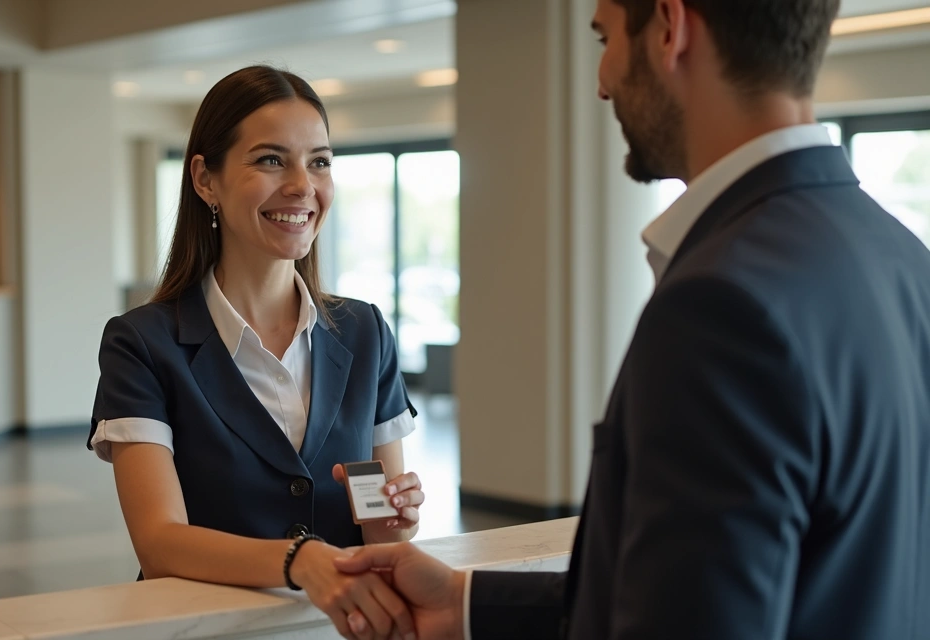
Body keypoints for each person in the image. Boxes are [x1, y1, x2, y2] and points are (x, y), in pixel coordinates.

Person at [333, 0, 930, 638]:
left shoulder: (719, 306)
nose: (602, 80)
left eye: (605, 38)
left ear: (669, 28)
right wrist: (463, 602)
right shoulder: (904, 258)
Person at [88, 65, 425, 640]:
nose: (302, 185)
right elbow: (160, 541)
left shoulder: (364, 331)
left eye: (319, 161)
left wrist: (395, 517)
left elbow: (381, 533)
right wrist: (300, 560)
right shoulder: (142, 343)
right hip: (205, 630)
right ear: (205, 179)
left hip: (335, 628)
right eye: (271, 160)